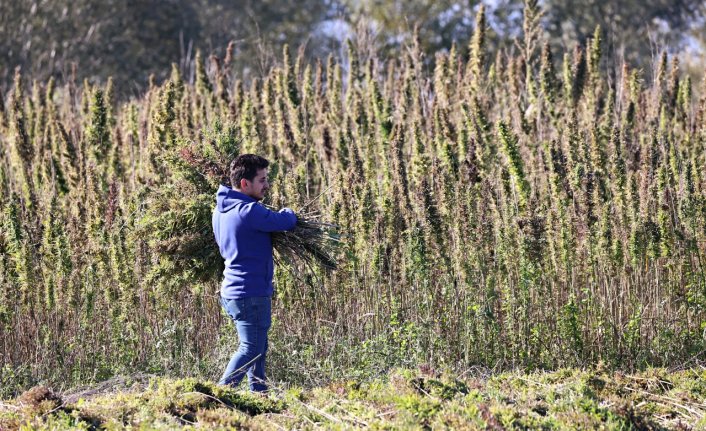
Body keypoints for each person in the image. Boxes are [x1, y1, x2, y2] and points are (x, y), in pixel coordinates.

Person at [212, 154, 297, 392]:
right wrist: (289, 211)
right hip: (250, 293)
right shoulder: (248, 211)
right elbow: (285, 221)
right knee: (251, 349)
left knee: (259, 346)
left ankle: (260, 397)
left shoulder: (219, 212)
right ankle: (218, 396)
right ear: (244, 184)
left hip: (233, 292)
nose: (267, 185)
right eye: (262, 180)